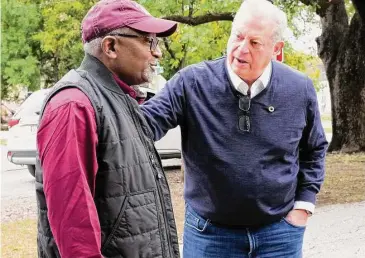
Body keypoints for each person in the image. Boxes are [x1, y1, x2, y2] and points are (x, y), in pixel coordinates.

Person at [141, 0, 328, 257]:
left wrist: (303, 207)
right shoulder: (191, 83)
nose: (241, 49)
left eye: (254, 43)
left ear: (276, 49)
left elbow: (315, 149)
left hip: (279, 235)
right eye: (237, 36)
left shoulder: (299, 89)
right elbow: (142, 126)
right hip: (210, 235)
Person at [35, 0, 180, 257]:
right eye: (149, 41)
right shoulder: (74, 105)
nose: (157, 52)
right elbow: (74, 228)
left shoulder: (121, 98)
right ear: (111, 46)